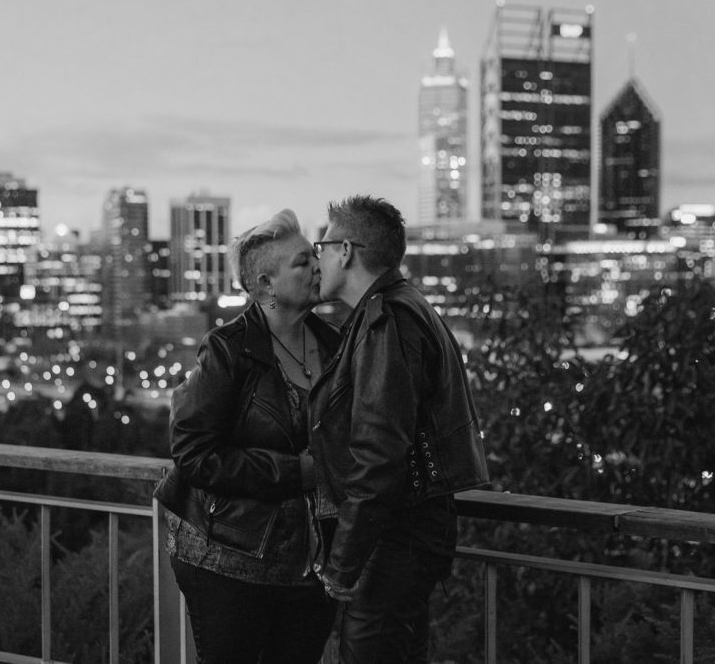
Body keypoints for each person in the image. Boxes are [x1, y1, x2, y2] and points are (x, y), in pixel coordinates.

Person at [308, 195, 490, 663]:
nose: (317, 257)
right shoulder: (401, 308)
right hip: (406, 533)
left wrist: (341, 566)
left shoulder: (386, 320)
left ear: (345, 251)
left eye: (321, 245)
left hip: (393, 537)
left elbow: (378, 451)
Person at [154, 208, 340, 664]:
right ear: (264, 285)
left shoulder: (338, 344)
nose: (317, 266)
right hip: (227, 558)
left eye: (314, 256)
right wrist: (299, 472)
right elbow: (195, 453)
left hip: (309, 566)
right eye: (301, 262)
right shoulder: (228, 349)